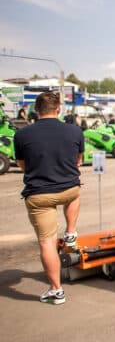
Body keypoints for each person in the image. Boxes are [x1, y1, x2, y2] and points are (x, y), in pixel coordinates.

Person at [13, 92, 84, 305]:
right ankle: (71, 231)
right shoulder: (75, 131)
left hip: (39, 195)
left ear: (36, 110)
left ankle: (56, 291)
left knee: (47, 242)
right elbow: (78, 161)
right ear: (59, 109)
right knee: (75, 191)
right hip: (68, 190)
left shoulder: (22, 135)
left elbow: (22, 165)